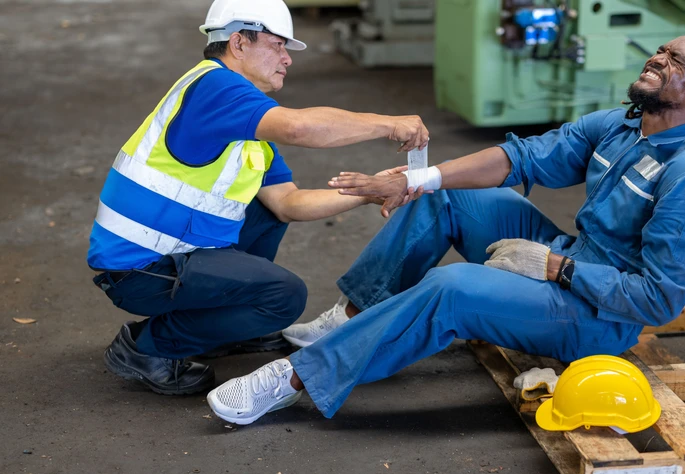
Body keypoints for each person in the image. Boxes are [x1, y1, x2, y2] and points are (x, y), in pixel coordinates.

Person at [207, 30, 685, 424]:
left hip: (599, 318)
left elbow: (658, 300)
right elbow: (526, 158)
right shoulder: (626, 126)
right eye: (662, 49)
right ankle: (351, 317)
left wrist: (555, 266)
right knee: (448, 197)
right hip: (573, 258)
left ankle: (295, 378)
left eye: (677, 61)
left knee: (453, 289)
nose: (659, 57)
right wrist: (421, 180)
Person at [88, 0, 430, 396]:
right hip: (140, 270)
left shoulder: (241, 118)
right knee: (283, 297)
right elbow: (300, 128)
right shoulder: (215, 87)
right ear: (238, 42)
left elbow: (289, 202)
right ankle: (149, 347)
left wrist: (368, 192)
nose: (287, 59)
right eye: (277, 45)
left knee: (268, 213)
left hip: (165, 255)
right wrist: (389, 124)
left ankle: (223, 322)